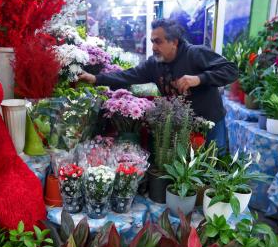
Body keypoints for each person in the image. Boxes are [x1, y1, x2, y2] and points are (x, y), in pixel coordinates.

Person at [78, 18, 238, 150]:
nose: (153, 47)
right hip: (181, 127)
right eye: (152, 42)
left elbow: (231, 70)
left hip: (210, 124)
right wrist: (95, 79)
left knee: (215, 167)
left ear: (174, 42)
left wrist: (199, 79)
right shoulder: (154, 64)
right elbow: (129, 75)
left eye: (158, 42)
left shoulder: (194, 54)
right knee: (186, 173)